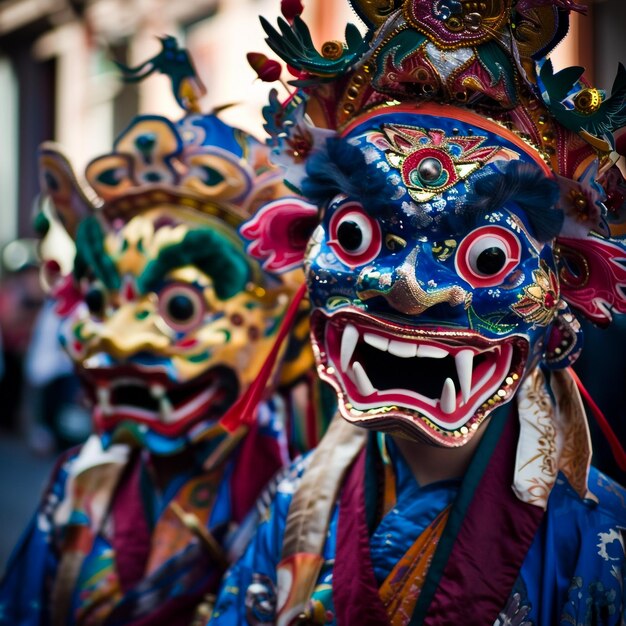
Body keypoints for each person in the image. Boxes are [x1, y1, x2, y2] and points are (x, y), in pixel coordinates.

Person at [207, 1, 626, 624]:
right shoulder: (296, 503)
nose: (410, 288)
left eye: (486, 256)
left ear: (564, 282)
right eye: (357, 236)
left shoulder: (595, 532)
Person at [0, 38, 322, 626]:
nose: (113, 336)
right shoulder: (82, 483)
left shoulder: (310, 497)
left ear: (288, 326)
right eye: (101, 298)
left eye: (180, 305)